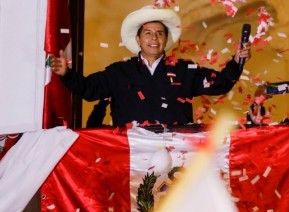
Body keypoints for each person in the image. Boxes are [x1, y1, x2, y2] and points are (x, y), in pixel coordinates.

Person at [51, 5, 251, 127]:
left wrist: (236, 62)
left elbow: (220, 84)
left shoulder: (185, 70)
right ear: (138, 39)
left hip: (176, 154)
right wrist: (66, 74)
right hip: (130, 154)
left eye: (160, 33)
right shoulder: (119, 72)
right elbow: (89, 89)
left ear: (165, 40)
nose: (154, 38)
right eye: (148, 33)